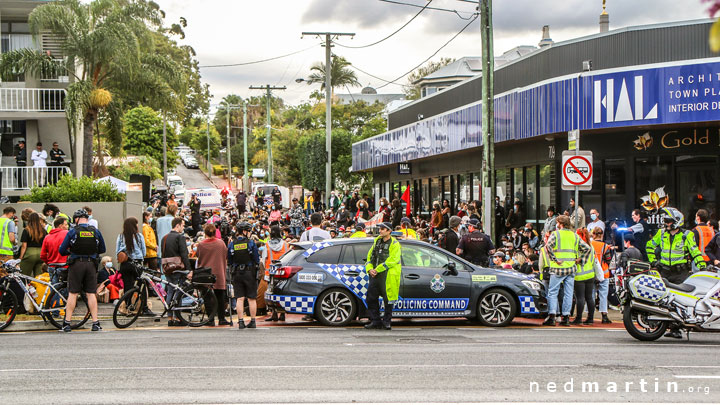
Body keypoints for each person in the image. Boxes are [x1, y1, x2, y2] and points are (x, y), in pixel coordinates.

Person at [646, 207, 706, 339]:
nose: (665, 223)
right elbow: (649, 246)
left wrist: (702, 266)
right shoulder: (661, 234)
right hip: (665, 271)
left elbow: (695, 251)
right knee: (663, 300)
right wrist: (654, 262)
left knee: (680, 301)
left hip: (681, 273)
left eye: (668, 221)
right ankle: (664, 324)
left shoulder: (687, 235)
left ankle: (677, 328)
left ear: (676, 221)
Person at [58, 209, 106, 332]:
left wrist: (72, 252)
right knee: (91, 293)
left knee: (73, 293)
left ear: (76, 219)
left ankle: (67, 323)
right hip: (91, 265)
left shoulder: (73, 232)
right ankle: (95, 323)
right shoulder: (95, 231)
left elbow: (62, 250)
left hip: (76, 264)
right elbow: (102, 249)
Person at [542, 215, 592, 326]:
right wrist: (580, 259)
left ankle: (552, 316)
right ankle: (566, 317)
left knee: (552, 292)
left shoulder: (556, 234)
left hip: (558, 268)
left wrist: (554, 259)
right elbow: (587, 248)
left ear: (561, 224)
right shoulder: (574, 236)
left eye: (557, 223)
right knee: (568, 293)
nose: (556, 225)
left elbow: (548, 247)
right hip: (571, 268)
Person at [364, 222, 401, 330]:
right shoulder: (377, 241)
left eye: (383, 229)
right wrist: (370, 269)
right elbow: (369, 257)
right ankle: (375, 321)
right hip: (375, 275)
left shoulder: (394, 243)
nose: (380, 231)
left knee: (388, 300)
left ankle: (387, 322)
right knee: (371, 298)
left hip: (387, 275)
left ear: (389, 231)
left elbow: (393, 260)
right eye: (380, 228)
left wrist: (377, 269)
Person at [196, 223, 230, 326]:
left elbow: (198, 256)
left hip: (206, 273)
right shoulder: (221, 243)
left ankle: (210, 319)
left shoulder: (201, 245)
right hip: (219, 272)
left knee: (207, 297)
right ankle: (221, 318)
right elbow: (225, 255)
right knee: (220, 296)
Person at [228, 222, 260, 329]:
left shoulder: (232, 244)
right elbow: (256, 259)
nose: (250, 233)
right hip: (249, 272)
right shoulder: (251, 243)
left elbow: (229, 260)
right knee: (251, 298)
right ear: (245, 231)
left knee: (239, 298)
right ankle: (253, 321)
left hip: (237, 273)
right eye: (249, 231)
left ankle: (240, 322)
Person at [162, 217, 191, 327]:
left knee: (170, 291)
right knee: (178, 292)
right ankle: (178, 317)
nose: (183, 227)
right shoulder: (180, 237)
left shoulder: (164, 238)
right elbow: (184, 254)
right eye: (182, 225)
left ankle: (170, 318)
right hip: (178, 268)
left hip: (168, 268)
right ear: (177, 225)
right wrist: (189, 269)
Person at [263, 225, 289, 322]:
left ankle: (273, 313)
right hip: (282, 272)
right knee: (281, 292)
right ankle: (282, 314)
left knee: (271, 293)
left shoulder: (267, 245)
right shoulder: (285, 244)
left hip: (270, 273)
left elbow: (264, 259)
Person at [116, 216, 146, 294]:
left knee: (127, 286)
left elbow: (117, 251)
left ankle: (128, 303)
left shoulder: (121, 236)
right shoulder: (139, 236)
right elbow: (144, 252)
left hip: (125, 264)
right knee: (140, 285)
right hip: (137, 263)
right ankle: (141, 304)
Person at [573, 228, 596, 325]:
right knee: (589, 297)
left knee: (580, 298)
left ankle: (578, 319)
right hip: (590, 274)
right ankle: (590, 318)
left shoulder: (578, 247)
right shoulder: (591, 246)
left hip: (579, 275)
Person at [590, 227, 613, 324]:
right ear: (602, 235)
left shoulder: (590, 245)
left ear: (593, 235)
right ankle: (604, 316)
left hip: (591, 273)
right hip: (603, 273)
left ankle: (589, 315)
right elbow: (608, 259)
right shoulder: (606, 246)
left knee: (590, 295)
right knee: (603, 295)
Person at [41, 216, 70, 283]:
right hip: (65, 266)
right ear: (60, 225)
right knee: (64, 289)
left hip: (52, 266)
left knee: (54, 288)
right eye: (65, 224)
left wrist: (48, 263)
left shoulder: (47, 237)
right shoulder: (67, 234)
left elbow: (42, 255)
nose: (67, 226)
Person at [19, 212, 47, 277]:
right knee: (39, 276)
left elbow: (24, 245)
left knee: (24, 275)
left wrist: (21, 257)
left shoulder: (26, 230)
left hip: (30, 253)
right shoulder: (43, 230)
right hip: (41, 253)